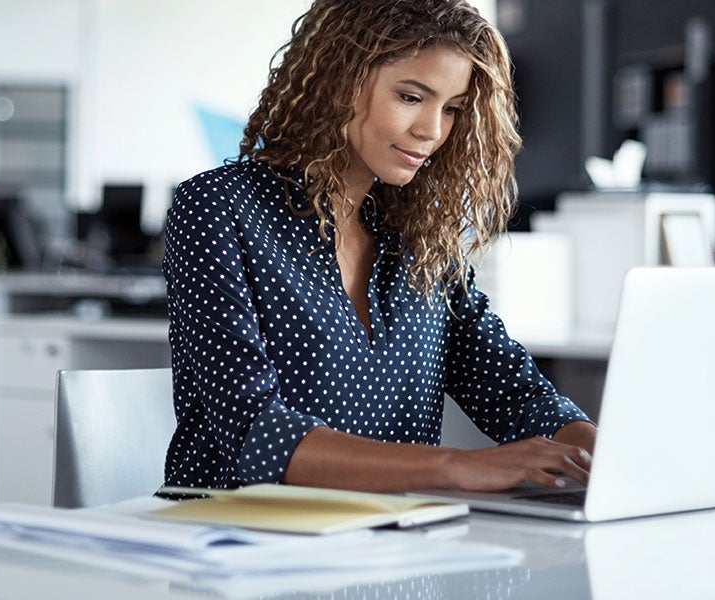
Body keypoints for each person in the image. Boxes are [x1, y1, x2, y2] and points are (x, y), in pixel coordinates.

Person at [163, 0, 597, 493]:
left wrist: (596, 452)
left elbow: (508, 387)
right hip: (238, 541)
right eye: (412, 97)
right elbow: (254, 435)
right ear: (338, 81)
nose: (432, 131)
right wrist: (454, 466)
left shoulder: (421, 233)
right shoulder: (218, 207)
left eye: (451, 109)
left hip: (393, 546)